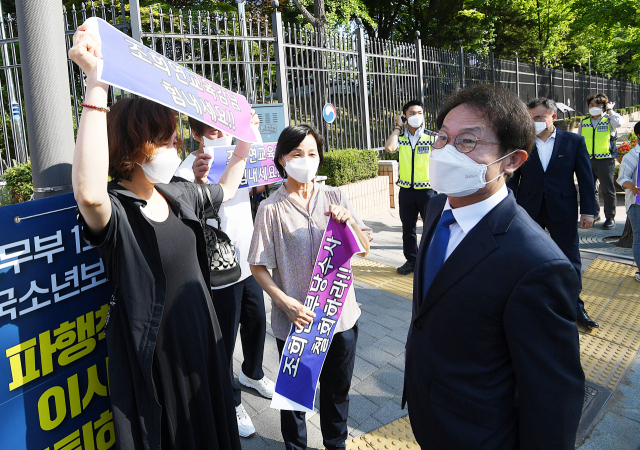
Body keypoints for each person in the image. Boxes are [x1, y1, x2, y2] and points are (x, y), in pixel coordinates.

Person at [69, 21, 249, 450]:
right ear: (134, 145)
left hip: (204, 338)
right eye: (163, 139)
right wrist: (97, 86)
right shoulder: (117, 212)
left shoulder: (178, 193)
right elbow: (88, 194)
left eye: (174, 138)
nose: (175, 146)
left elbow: (224, 190)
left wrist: (243, 140)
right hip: (160, 359)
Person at [403, 85, 585, 450]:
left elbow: (552, 400)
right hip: (428, 412)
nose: (445, 152)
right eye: (442, 138)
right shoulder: (439, 208)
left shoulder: (538, 264)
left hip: (481, 434)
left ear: (513, 161)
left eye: (467, 142)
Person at [248, 125, 372, 450]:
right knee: (294, 397)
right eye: (297, 154)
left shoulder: (335, 196)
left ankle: (336, 443)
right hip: (296, 322)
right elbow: (258, 265)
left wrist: (348, 223)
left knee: (337, 392)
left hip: (339, 318)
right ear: (282, 160)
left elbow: (364, 247)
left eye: (312, 153)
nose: (306, 159)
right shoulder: (270, 208)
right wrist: (283, 301)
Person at [174, 118, 275, 438]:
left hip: (249, 262)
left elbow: (263, 182)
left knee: (257, 321)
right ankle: (231, 400)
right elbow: (183, 211)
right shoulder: (187, 167)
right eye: (208, 128)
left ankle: (253, 373)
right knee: (224, 340)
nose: (216, 132)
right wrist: (197, 180)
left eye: (221, 125)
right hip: (219, 269)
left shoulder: (238, 157)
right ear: (195, 133)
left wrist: (252, 129)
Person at [508, 98, 599, 328]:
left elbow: (586, 180)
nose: (535, 122)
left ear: (553, 117)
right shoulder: (523, 142)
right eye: (531, 119)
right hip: (528, 209)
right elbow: (512, 179)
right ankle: (531, 304)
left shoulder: (574, 141)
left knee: (570, 258)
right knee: (527, 256)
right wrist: (508, 209)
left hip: (563, 209)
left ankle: (574, 306)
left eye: (539, 118)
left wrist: (588, 210)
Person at [384, 100, 437, 275]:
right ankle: (411, 260)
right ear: (405, 116)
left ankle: (427, 261)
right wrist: (398, 127)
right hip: (406, 191)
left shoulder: (432, 137)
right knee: (408, 228)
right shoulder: (401, 138)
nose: (416, 116)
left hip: (428, 191)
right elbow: (390, 147)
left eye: (419, 112)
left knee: (430, 228)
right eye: (412, 113)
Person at [579, 93, 624, 229]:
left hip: (605, 160)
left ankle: (610, 217)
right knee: (590, 189)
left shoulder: (609, 120)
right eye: (592, 104)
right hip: (588, 160)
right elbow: (579, 140)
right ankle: (595, 213)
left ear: (604, 106)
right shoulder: (584, 122)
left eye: (598, 104)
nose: (594, 107)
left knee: (608, 190)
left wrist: (610, 110)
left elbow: (619, 122)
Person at [616, 120, 640, 282]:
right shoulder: (632, 156)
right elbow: (621, 178)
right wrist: (632, 185)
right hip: (637, 204)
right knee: (639, 238)